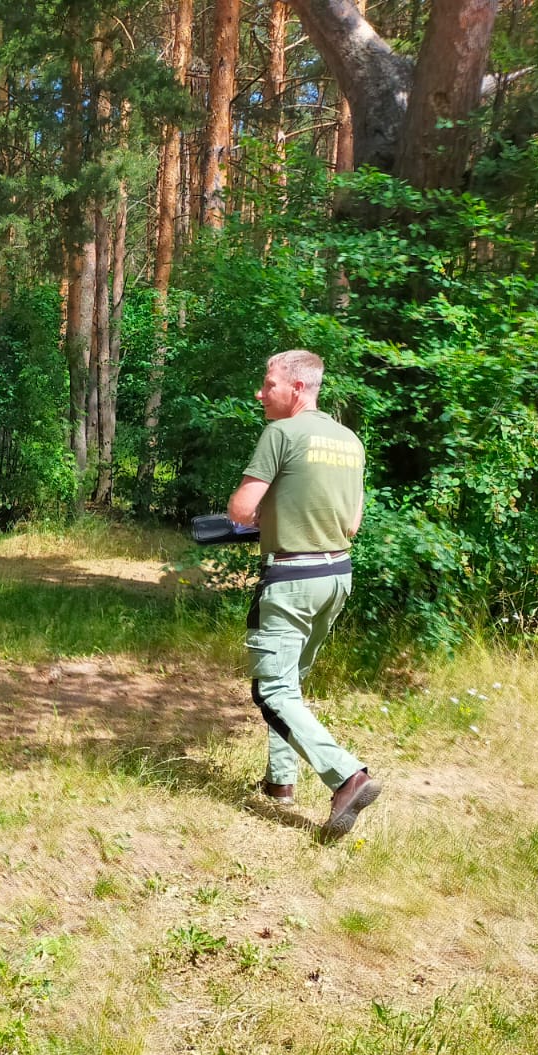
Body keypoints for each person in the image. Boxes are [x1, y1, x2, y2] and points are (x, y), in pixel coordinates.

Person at [227, 350, 381, 842]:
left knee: (271, 689)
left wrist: (256, 518)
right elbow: (352, 523)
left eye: (268, 383)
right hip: (336, 575)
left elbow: (241, 507)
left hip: (291, 578)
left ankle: (346, 776)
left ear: (296, 388)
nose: (260, 392)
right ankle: (280, 781)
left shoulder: (282, 433)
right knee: (290, 681)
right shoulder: (349, 440)